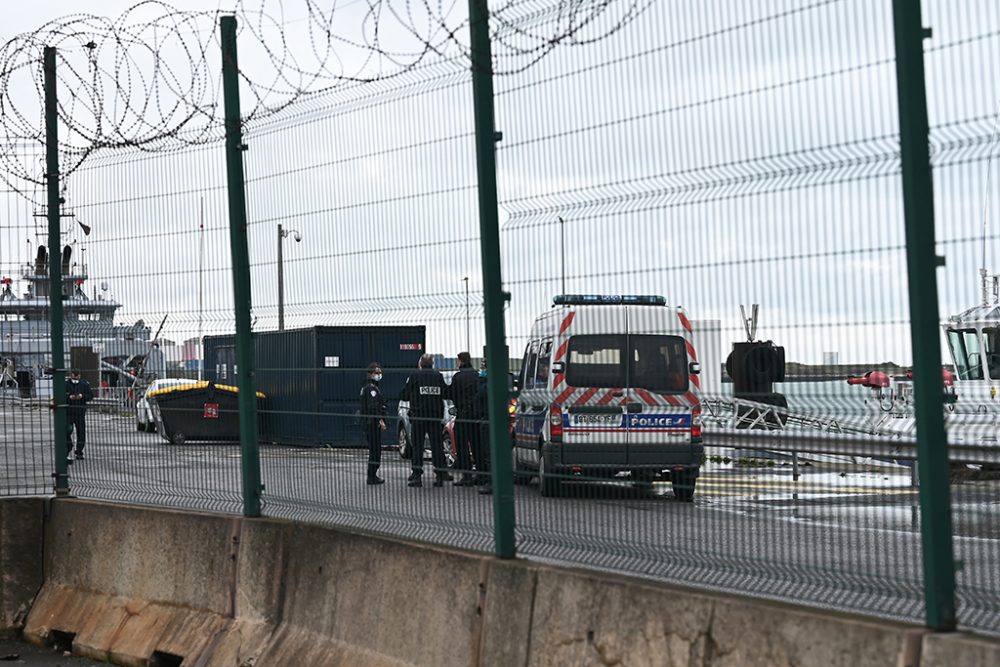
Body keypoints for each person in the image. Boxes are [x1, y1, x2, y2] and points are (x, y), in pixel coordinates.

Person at [401, 354, 449, 487]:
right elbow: (445, 393)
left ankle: (417, 475)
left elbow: (404, 395)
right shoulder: (438, 376)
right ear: (432, 364)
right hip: (434, 417)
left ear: (421, 364)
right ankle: (439, 475)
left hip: (419, 417)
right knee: (437, 446)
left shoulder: (415, 376)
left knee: (417, 447)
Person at [448, 351, 480, 486]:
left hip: (462, 415)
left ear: (460, 361)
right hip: (476, 416)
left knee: (462, 446)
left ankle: (466, 476)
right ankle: (481, 475)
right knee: (477, 446)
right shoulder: (476, 376)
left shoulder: (458, 377)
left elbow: (451, 394)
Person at [359, 362, 387, 485]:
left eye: (380, 372)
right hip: (372, 423)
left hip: (370, 422)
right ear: (370, 374)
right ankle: (372, 476)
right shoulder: (371, 389)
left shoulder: (370, 387)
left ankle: (373, 475)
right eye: (376, 372)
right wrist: (380, 420)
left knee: (375, 450)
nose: (379, 375)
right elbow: (373, 407)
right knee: (375, 451)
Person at [472, 359, 493, 494]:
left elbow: (480, 395)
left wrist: (481, 380)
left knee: (488, 453)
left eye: (483, 367)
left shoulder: (486, 384)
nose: (481, 370)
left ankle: (491, 482)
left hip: (487, 419)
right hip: (489, 419)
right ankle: (487, 478)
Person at [66, 369, 93, 461]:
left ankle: (79, 451)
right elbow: (60, 396)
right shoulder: (65, 385)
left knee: (81, 433)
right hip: (68, 412)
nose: (76, 377)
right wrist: (69, 397)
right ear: (71, 375)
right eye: (74, 375)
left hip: (80, 412)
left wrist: (82, 396)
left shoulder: (84, 385)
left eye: (77, 376)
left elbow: (90, 396)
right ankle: (68, 446)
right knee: (67, 431)